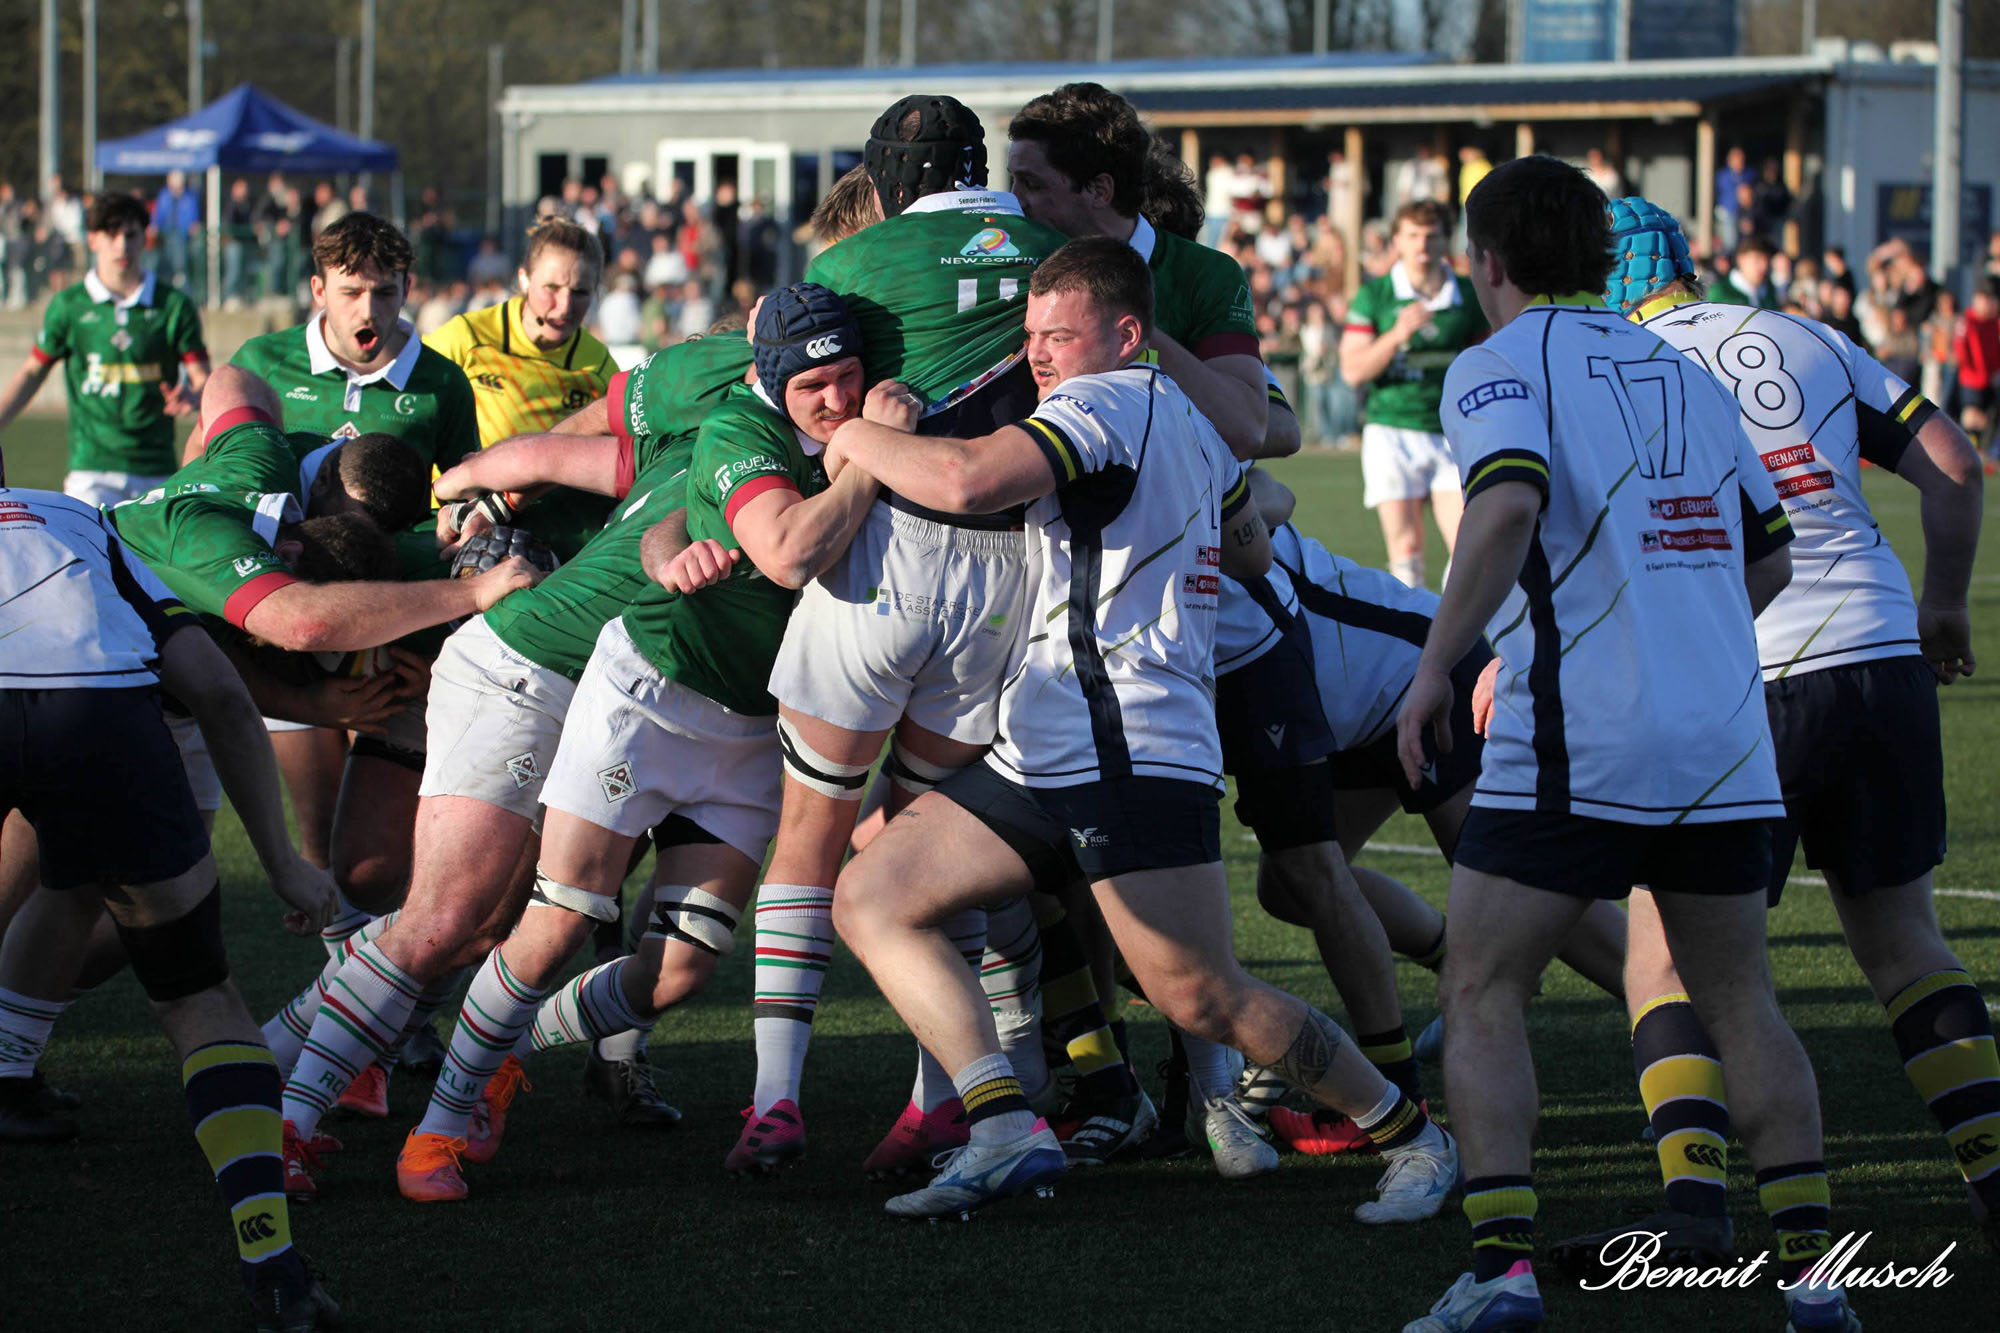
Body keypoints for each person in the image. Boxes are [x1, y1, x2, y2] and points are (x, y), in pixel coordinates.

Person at [823, 235, 1458, 1222]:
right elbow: (1251, 547)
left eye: (1059, 334)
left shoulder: (1105, 401)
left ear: (1126, 335)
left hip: (1128, 745)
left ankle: (1411, 1134)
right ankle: (1002, 1126)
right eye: (1030, 334)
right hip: (1052, 740)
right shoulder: (1185, 416)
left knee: (1202, 994)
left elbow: (963, 479)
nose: (1037, 353)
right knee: (874, 894)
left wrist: (859, 434)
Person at [1392, 155, 1850, 1333]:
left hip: (1578, 734)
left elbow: (1503, 504)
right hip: (1721, 740)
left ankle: (1499, 1271)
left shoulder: (1495, 361)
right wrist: (1678, 636)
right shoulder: (1681, 367)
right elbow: (1769, 556)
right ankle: (1814, 1280)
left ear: (1485, 261)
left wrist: (1438, 665)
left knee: (1481, 987)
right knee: (1741, 1001)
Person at [1543, 197, 1996, 1275]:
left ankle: (1694, 1210)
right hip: (1876, 654)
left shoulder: (1611, 362)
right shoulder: (1805, 334)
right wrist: (1941, 603)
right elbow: (1954, 461)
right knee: (1904, 943)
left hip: (1736, 669)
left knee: (1664, 953)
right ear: (1685, 264)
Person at [385, 283, 879, 1203]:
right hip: (646, 693)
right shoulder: (744, 426)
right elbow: (785, 550)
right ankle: (437, 1127)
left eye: (848, 376)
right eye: (812, 385)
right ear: (772, 379)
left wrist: (672, 547)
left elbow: (664, 519)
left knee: (680, 969)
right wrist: (867, 465)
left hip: (748, 728)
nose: (836, 398)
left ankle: (506, 1048)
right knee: (560, 924)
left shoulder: (860, 424)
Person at [710, 94, 1070, 1177]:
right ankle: (942, 1101)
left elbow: (807, 393)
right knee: (928, 853)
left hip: (888, 554)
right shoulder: (1055, 246)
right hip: (1010, 566)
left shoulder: (858, 261)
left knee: (809, 839)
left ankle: (773, 1099)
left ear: (881, 182)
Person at [0, 486, 340, 1327]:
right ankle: (271, 1261)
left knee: (72, 880)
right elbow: (217, 690)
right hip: (95, 711)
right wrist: (284, 863)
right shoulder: (76, 515)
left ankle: (6, 1072)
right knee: (195, 994)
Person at [229, 211, 483, 1005]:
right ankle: (361, 1023)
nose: (368, 310)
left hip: (392, 632)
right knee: (319, 846)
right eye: (350, 292)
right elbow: (223, 479)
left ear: (409, 288)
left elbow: (468, 498)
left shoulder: (440, 382)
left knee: (373, 863)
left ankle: (367, 1021)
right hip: (287, 626)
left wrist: (464, 523)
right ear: (318, 289)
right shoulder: (262, 363)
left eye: (384, 292)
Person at [0, 193, 209, 507]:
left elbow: (203, 378)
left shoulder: (173, 305)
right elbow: (32, 372)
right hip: (91, 471)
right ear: (92, 240)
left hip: (158, 470)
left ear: (144, 238)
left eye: (131, 235)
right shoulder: (69, 305)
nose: (122, 245)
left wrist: (193, 396)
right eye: (112, 235)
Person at [425, 216, 616, 558]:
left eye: (580, 292)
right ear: (524, 278)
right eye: (551, 288)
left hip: (550, 535)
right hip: (455, 524)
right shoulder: (466, 337)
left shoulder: (599, 365)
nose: (565, 306)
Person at [1341, 199, 1487, 587]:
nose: (1422, 244)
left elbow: (1488, 362)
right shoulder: (1376, 296)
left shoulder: (1468, 295)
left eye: (1431, 235)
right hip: (1392, 430)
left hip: (1452, 432)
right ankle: (1416, 624)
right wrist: (1397, 335)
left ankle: (1457, 623)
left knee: (1469, 547)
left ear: (1446, 240)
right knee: (1405, 553)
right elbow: (1353, 371)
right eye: (1412, 235)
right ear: (1397, 242)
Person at [151, 170, 202, 294]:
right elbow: (158, 215)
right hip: (165, 236)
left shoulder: (190, 197)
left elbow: (193, 217)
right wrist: (154, 226)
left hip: (183, 237)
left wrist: (193, 225)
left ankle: (182, 284)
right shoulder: (164, 196)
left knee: (180, 260)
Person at [1708, 232, 1779, 309]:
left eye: (1767, 260)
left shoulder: (1769, 291)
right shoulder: (1721, 292)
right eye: (1757, 259)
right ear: (1741, 259)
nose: (1764, 266)